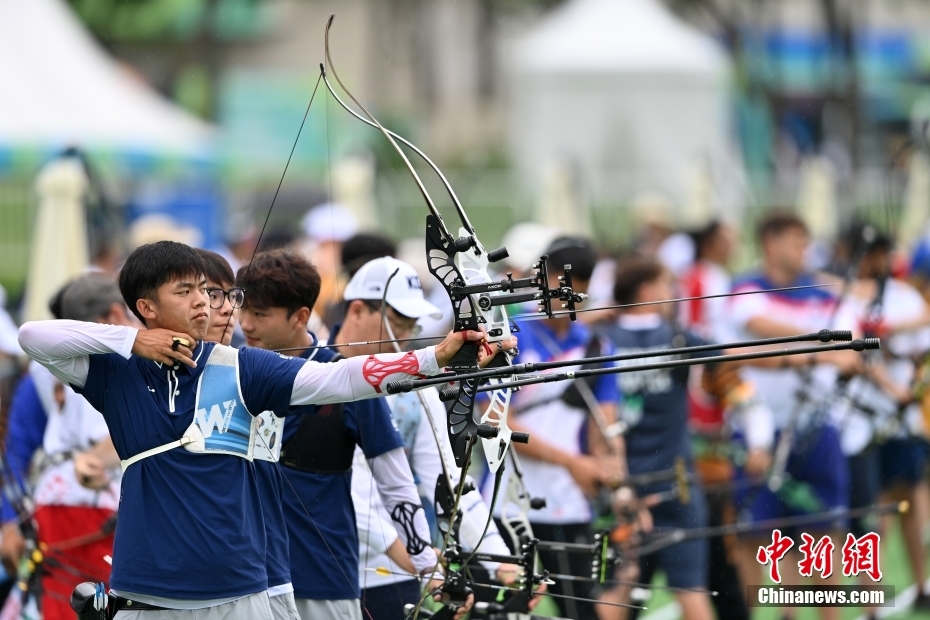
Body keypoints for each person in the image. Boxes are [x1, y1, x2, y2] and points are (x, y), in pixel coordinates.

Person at [17, 240, 487, 620]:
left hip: (237, 589)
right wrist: (133, 339)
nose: (203, 300)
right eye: (184, 292)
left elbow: (339, 377)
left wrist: (434, 358)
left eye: (205, 289)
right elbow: (32, 337)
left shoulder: (243, 367)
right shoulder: (114, 372)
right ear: (146, 306)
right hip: (146, 589)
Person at [235, 249, 457, 620]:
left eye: (259, 314)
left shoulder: (344, 378)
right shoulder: (232, 369)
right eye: (242, 311)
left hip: (323, 581)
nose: (246, 325)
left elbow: (396, 481)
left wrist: (423, 560)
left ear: (301, 317)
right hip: (247, 581)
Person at [337, 257, 525, 619]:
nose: (403, 337)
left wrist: (501, 560)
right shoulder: (316, 376)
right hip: (337, 573)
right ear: (358, 309)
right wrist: (416, 556)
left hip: (400, 574)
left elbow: (448, 480)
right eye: (396, 322)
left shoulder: (414, 389)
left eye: (410, 325)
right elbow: (349, 492)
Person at [728, 212, 860, 620]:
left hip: (816, 429)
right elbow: (756, 326)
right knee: (757, 534)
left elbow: (851, 347)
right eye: (795, 241)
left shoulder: (824, 291)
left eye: (806, 241)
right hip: (757, 433)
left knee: (823, 534)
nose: (804, 249)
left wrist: (827, 348)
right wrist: (818, 345)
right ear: (770, 242)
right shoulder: (745, 289)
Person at [489, 237, 622, 620]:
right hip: (507, 503)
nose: (565, 298)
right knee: (500, 612)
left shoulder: (596, 345)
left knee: (581, 614)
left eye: (575, 289)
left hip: (570, 506)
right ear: (540, 279)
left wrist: (615, 476)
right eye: (558, 286)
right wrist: (571, 462)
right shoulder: (508, 332)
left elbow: (605, 426)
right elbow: (497, 421)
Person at [1, 274, 128, 620]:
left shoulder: (46, 365)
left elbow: (15, 448)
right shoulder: (127, 358)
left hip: (53, 496)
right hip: (101, 497)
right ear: (116, 315)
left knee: (61, 604)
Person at [599, 254, 716, 620]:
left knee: (615, 595)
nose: (673, 294)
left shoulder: (600, 338)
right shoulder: (677, 337)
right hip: (676, 482)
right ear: (647, 289)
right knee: (691, 592)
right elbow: (729, 359)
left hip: (620, 485)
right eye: (667, 286)